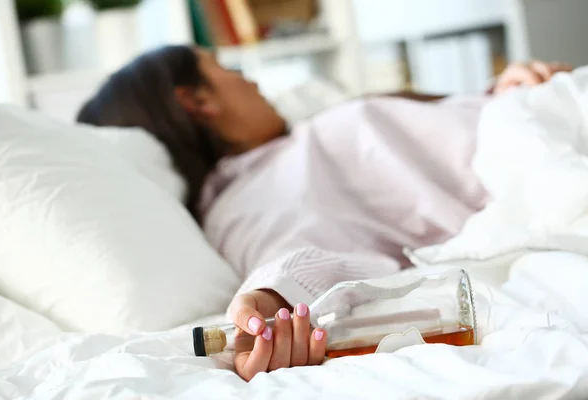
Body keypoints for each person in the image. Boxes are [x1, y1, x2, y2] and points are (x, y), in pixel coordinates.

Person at [77, 45, 572, 381]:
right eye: (224, 67)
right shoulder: (247, 198)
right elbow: (300, 255)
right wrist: (272, 298)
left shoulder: (290, 148)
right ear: (198, 100)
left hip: (542, 116)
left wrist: (504, 89)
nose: (246, 77)